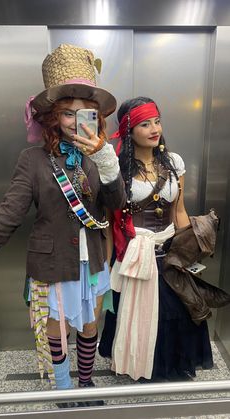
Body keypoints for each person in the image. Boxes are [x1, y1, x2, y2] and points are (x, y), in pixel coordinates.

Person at [0, 44, 126, 406]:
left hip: (94, 257)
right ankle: (64, 387)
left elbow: (117, 204)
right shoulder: (33, 159)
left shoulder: (101, 155)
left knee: (88, 324)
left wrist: (105, 159)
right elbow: (10, 210)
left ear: (97, 117)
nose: (76, 120)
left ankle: (85, 384)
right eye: (68, 113)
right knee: (58, 326)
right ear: (53, 117)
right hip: (52, 261)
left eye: (85, 113)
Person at [98, 96, 230, 382]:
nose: (154, 128)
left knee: (176, 308)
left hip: (169, 249)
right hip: (136, 254)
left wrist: (190, 250)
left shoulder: (174, 162)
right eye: (145, 124)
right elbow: (111, 224)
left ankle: (170, 365)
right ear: (129, 130)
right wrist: (109, 265)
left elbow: (179, 210)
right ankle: (139, 366)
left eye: (156, 121)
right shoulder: (117, 171)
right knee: (139, 315)